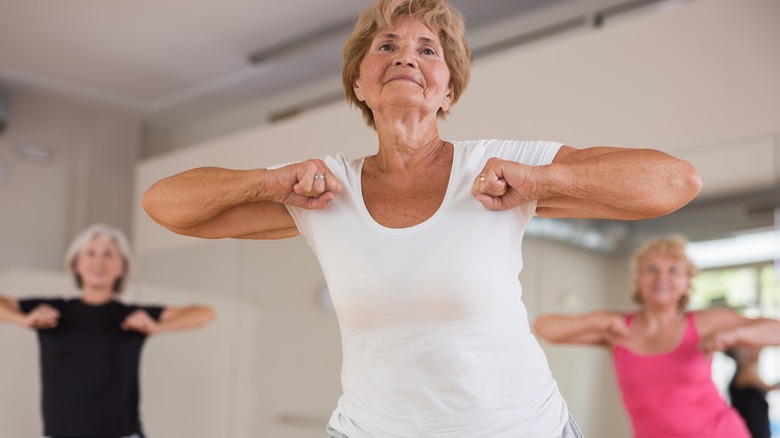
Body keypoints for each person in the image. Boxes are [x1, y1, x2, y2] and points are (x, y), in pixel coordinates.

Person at [140, 0, 702, 436]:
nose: (406, 56)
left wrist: (545, 180)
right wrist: (264, 181)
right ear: (359, 84)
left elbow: (676, 182)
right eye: (387, 46)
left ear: (447, 91)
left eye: (428, 50)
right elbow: (163, 204)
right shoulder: (322, 188)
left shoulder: (499, 167)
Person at [533, 235, 780, 438]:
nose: (662, 277)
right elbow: (545, 328)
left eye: (673, 270)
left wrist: (733, 334)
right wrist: (596, 321)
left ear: (686, 282)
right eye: (652, 269)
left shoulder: (704, 323)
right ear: (639, 280)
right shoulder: (618, 329)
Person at [0, 224, 216, 438]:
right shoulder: (53, 312)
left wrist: (157, 327)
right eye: (91, 253)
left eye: (108, 255)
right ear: (77, 263)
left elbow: (205, 313)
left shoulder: (133, 316)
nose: (98, 262)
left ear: (121, 267)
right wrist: (24, 320)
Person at [725, 345, 779, 438]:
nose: (760, 351)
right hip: (751, 429)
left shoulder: (747, 372)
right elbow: (770, 387)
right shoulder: (746, 372)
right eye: (754, 348)